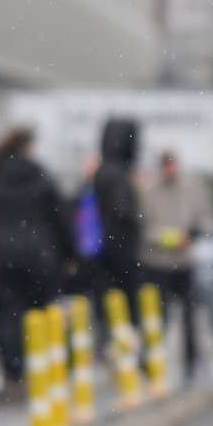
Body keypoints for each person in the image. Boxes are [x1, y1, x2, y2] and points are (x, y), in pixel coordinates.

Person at [0, 128, 74, 383]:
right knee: (42, 308)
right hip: (39, 251)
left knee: (10, 310)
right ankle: (44, 364)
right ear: (26, 147)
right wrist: (70, 253)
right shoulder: (39, 175)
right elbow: (60, 216)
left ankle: (14, 368)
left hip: (4, 252)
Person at [140, 150, 213, 383]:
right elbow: (144, 227)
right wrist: (168, 238)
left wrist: (192, 234)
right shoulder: (149, 192)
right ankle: (151, 363)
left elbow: (204, 219)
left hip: (183, 263)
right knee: (157, 318)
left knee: (190, 317)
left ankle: (191, 364)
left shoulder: (191, 189)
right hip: (157, 263)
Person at [93, 118, 144, 312]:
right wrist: (138, 224)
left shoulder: (103, 170)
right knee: (124, 301)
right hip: (119, 246)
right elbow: (122, 211)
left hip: (104, 245)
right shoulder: (118, 174)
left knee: (108, 298)